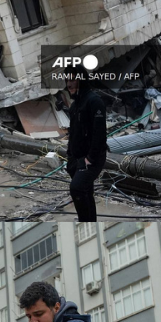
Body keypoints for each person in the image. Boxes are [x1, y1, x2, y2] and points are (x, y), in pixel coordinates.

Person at [63, 73, 107, 223]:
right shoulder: (75, 105)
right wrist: (70, 157)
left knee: (77, 188)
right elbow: (74, 132)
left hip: (90, 159)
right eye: (67, 80)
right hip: (76, 159)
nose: (69, 84)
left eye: (73, 80)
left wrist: (90, 158)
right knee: (86, 192)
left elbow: (100, 134)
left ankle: (85, 222)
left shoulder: (94, 102)